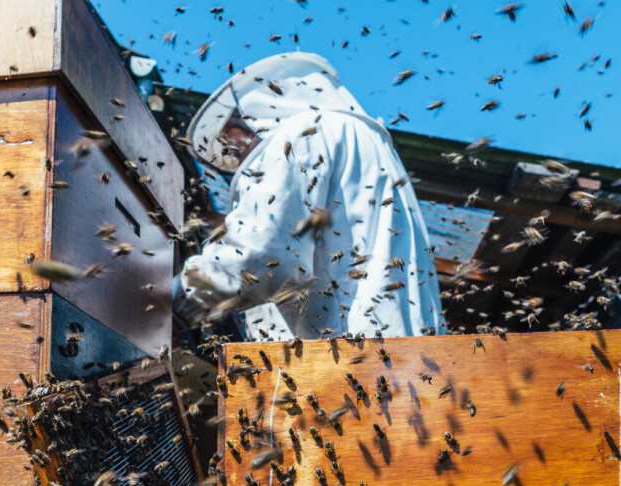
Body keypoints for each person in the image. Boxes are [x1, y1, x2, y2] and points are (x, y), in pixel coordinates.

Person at [173, 52, 443, 340]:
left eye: (232, 142)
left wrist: (175, 301)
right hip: (409, 354)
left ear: (245, 125)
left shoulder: (300, 135)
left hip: (351, 361)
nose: (238, 154)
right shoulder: (362, 142)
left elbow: (259, 254)